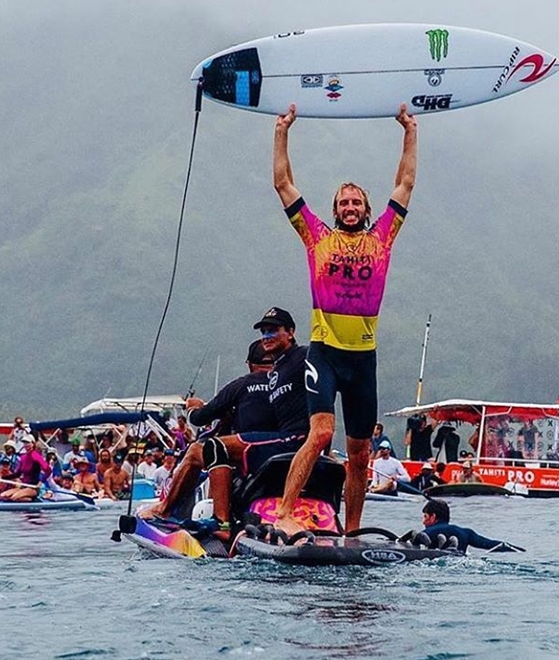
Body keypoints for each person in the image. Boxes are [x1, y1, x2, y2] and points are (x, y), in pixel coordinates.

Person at [271, 102, 417, 534]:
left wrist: (409, 130)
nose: (350, 207)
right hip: (326, 353)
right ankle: (284, 514)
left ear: (366, 209)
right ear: (335, 210)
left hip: (363, 360)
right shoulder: (316, 237)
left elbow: (406, 182)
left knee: (359, 454)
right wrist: (282, 131)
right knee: (320, 435)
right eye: (344, 202)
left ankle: (350, 531)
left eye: (356, 202)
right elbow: (282, 183)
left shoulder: (383, 238)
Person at [146, 310, 310, 527]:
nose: (267, 336)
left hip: (285, 444)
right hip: (283, 443)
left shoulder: (253, 380)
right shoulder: (278, 374)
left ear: (249, 364)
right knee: (216, 448)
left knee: (208, 448)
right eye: (264, 332)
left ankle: (210, 520)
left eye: (272, 331)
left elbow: (200, 418)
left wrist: (193, 409)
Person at [417, 500, 523, 554]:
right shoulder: (466, 532)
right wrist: (521, 551)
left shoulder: (429, 532)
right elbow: (494, 545)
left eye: (425, 516)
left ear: (433, 516)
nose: (423, 522)